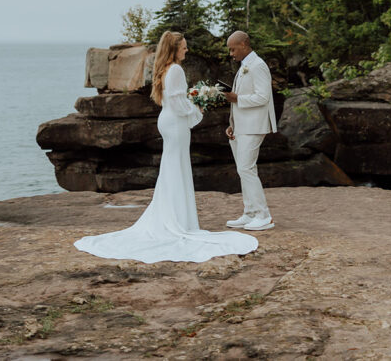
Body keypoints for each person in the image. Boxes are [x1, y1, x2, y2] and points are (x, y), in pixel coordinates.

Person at [74, 31, 258, 262]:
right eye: (183, 47)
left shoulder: (165, 69)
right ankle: (178, 221)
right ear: (174, 48)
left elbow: (174, 99)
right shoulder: (176, 70)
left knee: (172, 168)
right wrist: (197, 109)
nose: (186, 50)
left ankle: (173, 215)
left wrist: (190, 103)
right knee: (177, 168)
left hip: (168, 121)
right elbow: (179, 103)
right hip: (176, 124)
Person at [222, 31, 277, 231]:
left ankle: (264, 215)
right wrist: (233, 124)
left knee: (246, 168)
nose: (231, 53)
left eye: (233, 49)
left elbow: (263, 97)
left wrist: (236, 98)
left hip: (254, 126)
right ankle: (250, 212)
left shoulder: (258, 65)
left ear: (244, 44)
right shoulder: (244, 66)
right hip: (241, 126)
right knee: (243, 170)